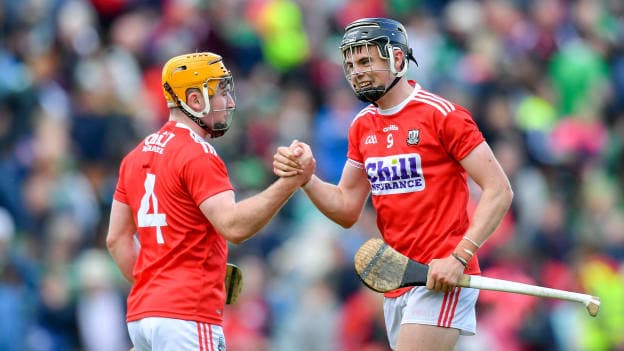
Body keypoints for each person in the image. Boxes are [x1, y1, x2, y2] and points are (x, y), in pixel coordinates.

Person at [273, 18, 513, 351]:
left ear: (397, 59)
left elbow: (499, 190)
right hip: (397, 279)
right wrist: (306, 179)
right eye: (351, 64)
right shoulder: (361, 126)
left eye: (366, 60)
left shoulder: (442, 115)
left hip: (442, 277)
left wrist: (459, 257)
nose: (357, 71)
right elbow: (345, 208)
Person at [106, 52, 314, 351]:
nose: (229, 102)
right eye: (220, 92)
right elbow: (233, 226)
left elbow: (116, 239)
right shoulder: (197, 153)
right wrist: (291, 182)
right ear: (194, 99)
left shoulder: (135, 156)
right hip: (188, 316)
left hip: (143, 316)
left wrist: (155, 286)